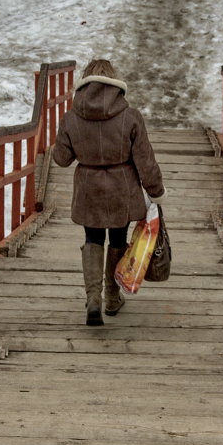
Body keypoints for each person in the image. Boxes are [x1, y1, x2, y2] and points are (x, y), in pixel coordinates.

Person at [52, 59, 165, 326]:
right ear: (115, 82)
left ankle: (93, 299)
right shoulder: (130, 116)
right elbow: (145, 161)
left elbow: (61, 159)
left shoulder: (71, 117)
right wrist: (156, 192)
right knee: (117, 239)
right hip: (122, 188)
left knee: (92, 237)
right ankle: (113, 297)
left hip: (88, 189)